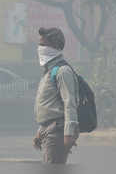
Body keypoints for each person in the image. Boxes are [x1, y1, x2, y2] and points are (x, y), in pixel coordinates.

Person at [33, 27, 79, 164]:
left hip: (57, 132)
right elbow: (50, 107)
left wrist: (68, 133)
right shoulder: (49, 72)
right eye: (39, 45)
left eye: (43, 45)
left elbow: (70, 102)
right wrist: (40, 131)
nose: (39, 48)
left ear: (54, 46)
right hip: (49, 130)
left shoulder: (62, 71)